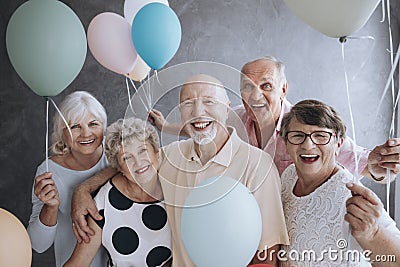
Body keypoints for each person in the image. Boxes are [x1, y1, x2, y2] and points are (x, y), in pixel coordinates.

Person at [71, 74, 289, 266]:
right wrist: (83, 189)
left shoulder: (258, 166)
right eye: (187, 103)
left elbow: (267, 255)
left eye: (209, 101)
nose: (198, 112)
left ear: (227, 107)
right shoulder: (171, 156)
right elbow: (132, 164)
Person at [148, 56, 400, 180]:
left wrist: (379, 165)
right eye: (247, 86)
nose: (255, 95)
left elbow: (358, 160)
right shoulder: (235, 117)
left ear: (283, 90)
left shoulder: (308, 125)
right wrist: (165, 126)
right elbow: (202, 126)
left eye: (266, 85)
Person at [278, 99, 400, 266]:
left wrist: (374, 234)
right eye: (298, 136)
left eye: (320, 136)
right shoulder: (288, 175)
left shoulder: (354, 197)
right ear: (286, 143)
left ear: (338, 144)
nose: (307, 145)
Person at [64, 118, 172, 267]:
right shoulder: (104, 201)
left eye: (143, 151)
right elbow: (79, 262)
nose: (139, 163)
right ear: (118, 167)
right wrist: (82, 189)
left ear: (156, 153)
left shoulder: (175, 187)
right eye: (127, 158)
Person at [27, 91, 108, 267]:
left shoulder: (118, 158)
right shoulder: (48, 171)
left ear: (104, 126)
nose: (86, 134)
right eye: (75, 127)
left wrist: (83, 188)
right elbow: (38, 245)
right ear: (62, 133)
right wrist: (51, 207)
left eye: (93, 124)